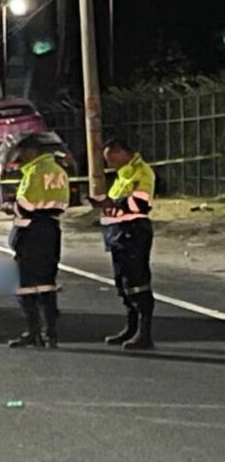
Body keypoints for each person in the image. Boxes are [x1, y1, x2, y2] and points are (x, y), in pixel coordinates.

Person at [90, 140, 156, 350]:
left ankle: (144, 333)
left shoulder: (141, 171)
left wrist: (111, 204)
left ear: (122, 153)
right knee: (124, 284)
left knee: (138, 283)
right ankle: (131, 327)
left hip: (133, 233)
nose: (109, 163)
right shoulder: (123, 174)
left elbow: (140, 202)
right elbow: (119, 201)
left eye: (111, 158)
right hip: (118, 234)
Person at [7, 142, 70, 348]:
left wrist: (10, 206)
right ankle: (50, 333)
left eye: (23, 152)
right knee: (47, 282)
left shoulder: (34, 172)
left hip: (31, 231)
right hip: (52, 229)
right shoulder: (59, 171)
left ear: (33, 151)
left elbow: (25, 205)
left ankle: (33, 332)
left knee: (27, 285)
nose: (21, 156)